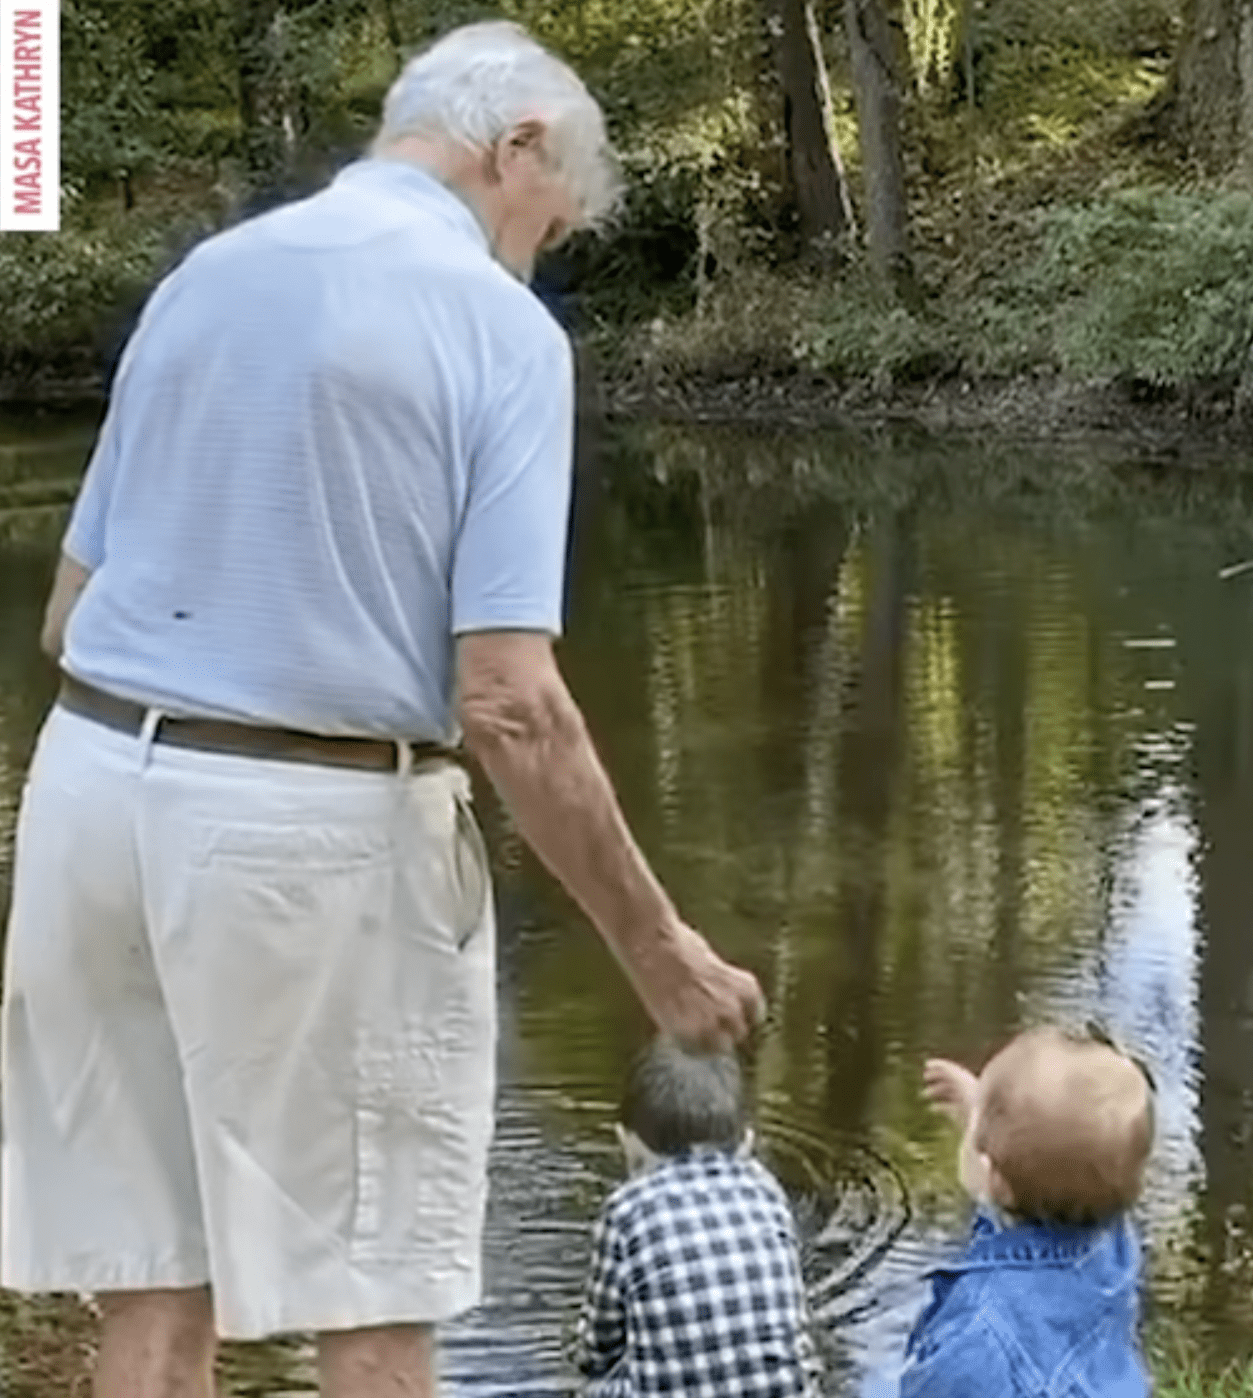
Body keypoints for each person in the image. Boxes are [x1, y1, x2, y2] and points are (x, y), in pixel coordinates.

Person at [0, 20, 764, 1398]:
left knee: (155, 1291)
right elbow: (510, 702)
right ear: (513, 142)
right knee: (374, 1297)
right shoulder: (497, 330)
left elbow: (67, 614)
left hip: (91, 794)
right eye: (551, 220)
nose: (540, 251)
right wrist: (657, 954)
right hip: (311, 836)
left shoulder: (202, 280)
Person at [895, 1027, 1155, 1398]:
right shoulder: (1110, 1237)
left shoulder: (978, 1338)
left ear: (993, 1176)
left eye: (977, 1130)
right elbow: (1043, 1171)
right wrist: (980, 1113)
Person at [571, 1038, 820, 1397]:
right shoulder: (768, 1191)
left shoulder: (626, 1209)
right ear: (747, 1144)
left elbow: (597, 1349)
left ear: (626, 1143)